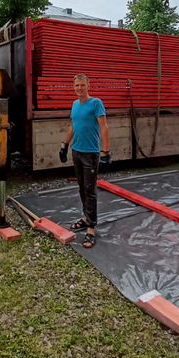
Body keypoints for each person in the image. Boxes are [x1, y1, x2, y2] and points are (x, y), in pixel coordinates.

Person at [59, 74, 111, 248]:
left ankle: (91, 229)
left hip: (91, 154)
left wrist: (106, 151)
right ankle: (86, 217)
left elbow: (104, 127)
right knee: (82, 188)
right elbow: (73, 126)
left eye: (82, 85)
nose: (79, 88)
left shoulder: (96, 103)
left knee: (90, 190)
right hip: (77, 151)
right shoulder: (74, 105)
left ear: (88, 85)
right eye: (76, 86)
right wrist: (64, 145)